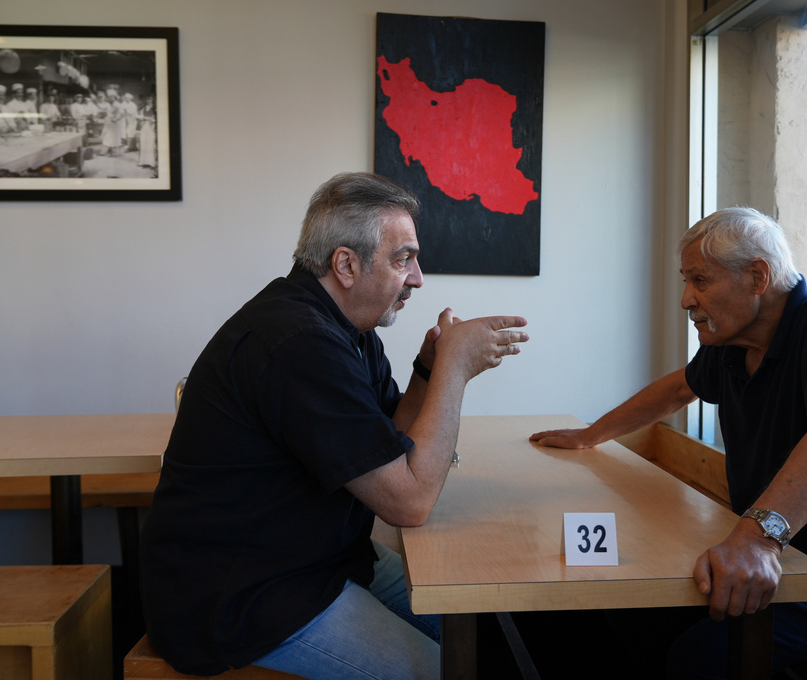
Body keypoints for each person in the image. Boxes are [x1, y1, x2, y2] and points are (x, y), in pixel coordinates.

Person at [139, 172, 529, 680]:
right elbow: (408, 502)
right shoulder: (299, 341)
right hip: (245, 600)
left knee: (486, 635)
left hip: (322, 562)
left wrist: (429, 368)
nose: (417, 278)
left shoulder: (343, 328)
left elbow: (393, 441)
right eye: (403, 258)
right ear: (346, 264)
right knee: (449, 669)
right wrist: (456, 369)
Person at [530, 207, 807, 678]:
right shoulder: (731, 347)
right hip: (796, 554)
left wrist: (757, 539)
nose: (686, 299)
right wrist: (590, 435)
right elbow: (677, 389)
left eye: (700, 280)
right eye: (687, 281)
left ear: (758, 275)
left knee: (702, 655)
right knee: (631, 615)